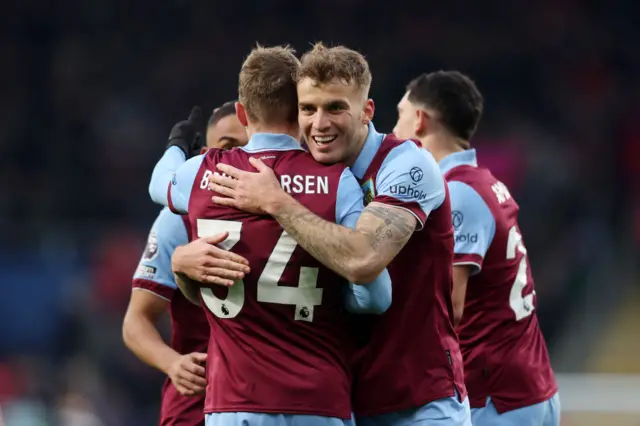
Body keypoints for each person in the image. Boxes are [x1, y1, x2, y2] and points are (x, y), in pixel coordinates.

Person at [207, 43, 470, 426]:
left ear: (367, 111)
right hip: (340, 403)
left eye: (335, 108)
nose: (319, 123)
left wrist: (277, 202)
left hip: (419, 403)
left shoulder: (408, 165)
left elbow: (363, 260)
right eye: (307, 109)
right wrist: (184, 264)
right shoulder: (300, 173)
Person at [147, 45, 392, 426]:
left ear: (242, 113)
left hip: (234, 402)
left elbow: (157, 183)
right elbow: (376, 296)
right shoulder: (337, 181)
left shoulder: (202, 175)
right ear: (300, 110)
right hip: (319, 401)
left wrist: (177, 145)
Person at [392, 70, 560, 426]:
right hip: (526, 386)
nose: (394, 131)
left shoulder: (459, 195)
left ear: (420, 120)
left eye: (400, 116)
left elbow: (449, 306)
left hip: (496, 397)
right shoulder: (487, 184)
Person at [122, 103, 249, 426]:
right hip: (198, 405)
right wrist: (173, 364)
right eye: (229, 147)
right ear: (205, 156)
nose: (240, 158)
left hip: (273, 400)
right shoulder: (177, 219)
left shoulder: (293, 210)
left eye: (250, 147)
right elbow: (136, 321)